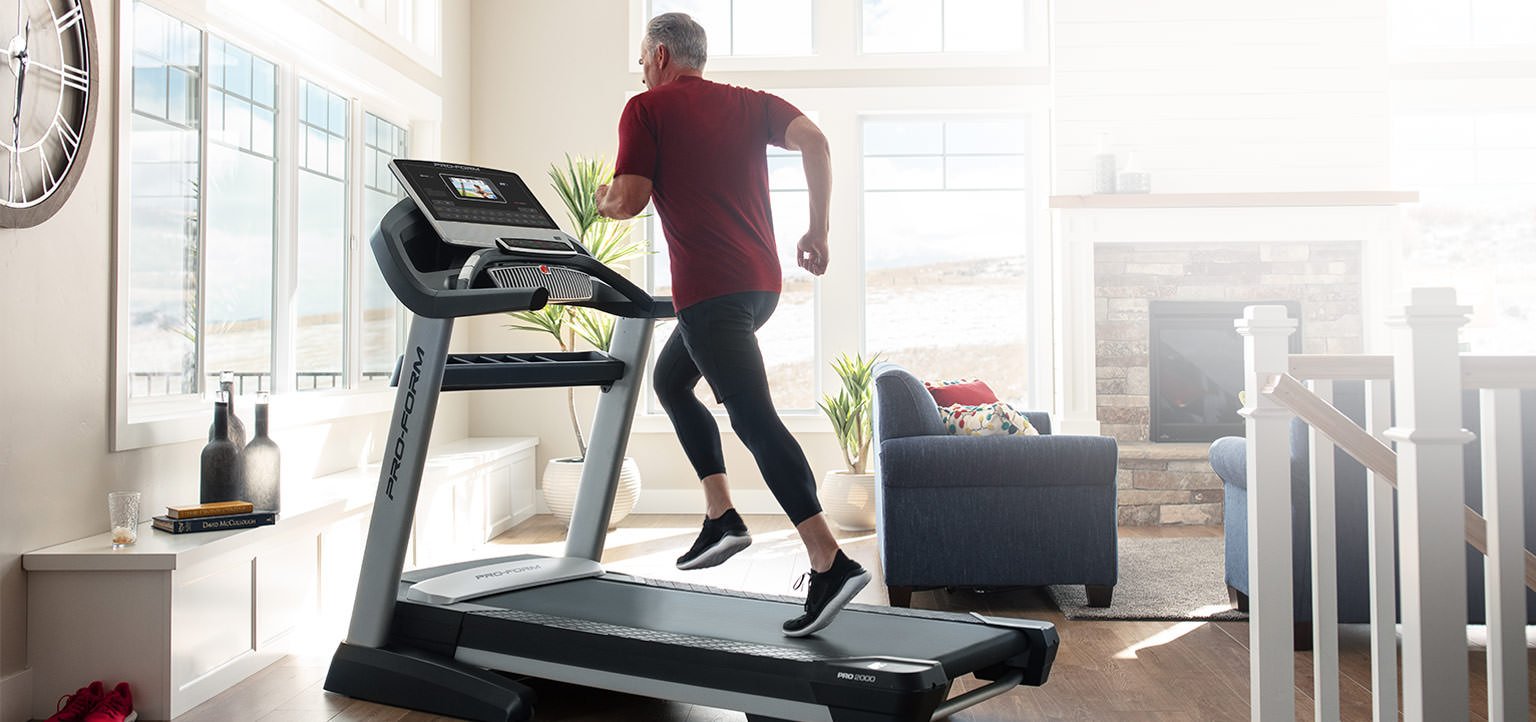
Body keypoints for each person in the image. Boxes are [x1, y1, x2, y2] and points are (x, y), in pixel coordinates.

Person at [595, 12, 868, 638]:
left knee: (752, 416)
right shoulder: (750, 104)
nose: (641, 68)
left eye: (642, 57)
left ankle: (830, 560)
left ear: (660, 55)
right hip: (760, 285)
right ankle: (721, 515)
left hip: (709, 293)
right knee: (670, 382)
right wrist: (818, 229)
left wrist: (601, 199)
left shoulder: (646, 109)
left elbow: (629, 198)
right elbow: (817, 142)